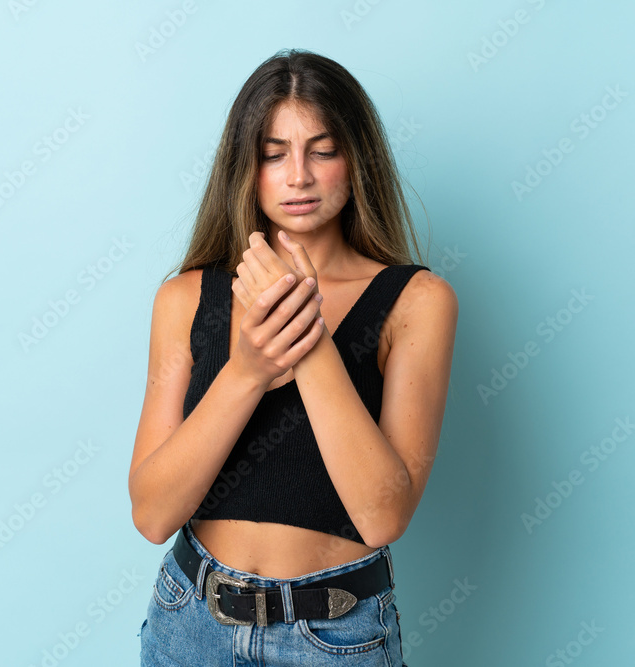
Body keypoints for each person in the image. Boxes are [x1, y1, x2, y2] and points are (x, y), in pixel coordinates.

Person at [130, 48, 457, 666]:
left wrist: (307, 339)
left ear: (357, 160)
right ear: (245, 168)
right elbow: (152, 514)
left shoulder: (418, 301)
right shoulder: (184, 298)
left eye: (323, 151)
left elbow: (383, 516)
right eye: (274, 154)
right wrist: (248, 371)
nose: (299, 176)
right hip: (190, 623)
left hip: (334, 637)